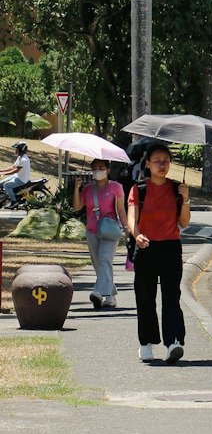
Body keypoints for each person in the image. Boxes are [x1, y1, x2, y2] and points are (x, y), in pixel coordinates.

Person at [127, 146, 190, 364]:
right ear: (148, 164)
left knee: (171, 297)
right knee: (145, 298)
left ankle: (174, 342)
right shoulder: (139, 189)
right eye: (157, 160)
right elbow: (131, 218)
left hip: (171, 248)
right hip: (146, 248)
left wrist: (186, 199)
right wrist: (137, 235)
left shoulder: (176, 189)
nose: (162, 164)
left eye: (166, 160)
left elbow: (183, 222)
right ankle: (146, 343)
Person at [72, 159, 128, 309]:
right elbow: (77, 207)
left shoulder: (116, 187)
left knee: (105, 259)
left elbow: (121, 210)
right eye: (95, 168)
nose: (98, 170)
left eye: (101, 168)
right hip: (92, 230)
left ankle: (97, 292)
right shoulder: (88, 189)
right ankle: (110, 296)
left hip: (110, 230)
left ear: (108, 171)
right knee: (98, 263)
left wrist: (127, 228)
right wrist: (77, 188)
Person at [1, 141, 31, 207]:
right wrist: (1, 170)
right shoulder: (20, 157)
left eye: (17, 149)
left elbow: (15, 170)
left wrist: (4, 174)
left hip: (22, 179)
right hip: (17, 176)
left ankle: (14, 201)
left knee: (6, 185)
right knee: (1, 183)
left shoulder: (24, 159)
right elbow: (13, 167)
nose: (15, 151)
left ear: (21, 150)